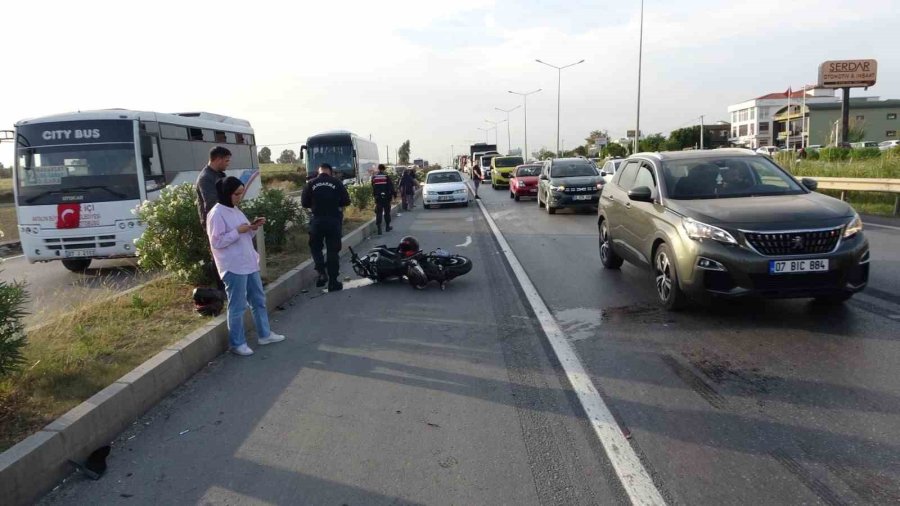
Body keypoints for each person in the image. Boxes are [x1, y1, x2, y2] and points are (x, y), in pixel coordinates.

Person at [207, 176, 285, 356]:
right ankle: (237, 343)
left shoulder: (235, 210)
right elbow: (216, 242)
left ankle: (265, 335)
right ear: (227, 193)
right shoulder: (216, 213)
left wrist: (253, 227)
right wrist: (237, 231)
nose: (239, 197)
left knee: (258, 300)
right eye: (236, 194)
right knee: (237, 305)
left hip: (248, 263)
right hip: (233, 266)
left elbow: (245, 236)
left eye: (241, 193)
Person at [301, 163, 351, 291]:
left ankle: (321, 272)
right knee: (332, 251)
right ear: (330, 171)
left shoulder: (311, 183)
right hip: (333, 221)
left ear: (319, 172)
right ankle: (333, 282)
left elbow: (304, 203)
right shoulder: (337, 182)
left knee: (315, 248)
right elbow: (346, 201)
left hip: (317, 221)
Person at [196, 146, 232, 290]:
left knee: (230, 253)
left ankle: (233, 284)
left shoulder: (220, 175)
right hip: (214, 222)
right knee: (218, 256)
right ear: (218, 159)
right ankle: (222, 289)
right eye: (226, 160)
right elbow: (211, 203)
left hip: (227, 219)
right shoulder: (205, 178)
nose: (228, 164)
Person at [371, 164, 395, 235]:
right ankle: (387, 227)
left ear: (378, 169)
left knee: (379, 213)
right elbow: (391, 187)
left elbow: (373, 187)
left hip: (378, 198)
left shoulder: (374, 177)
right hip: (386, 198)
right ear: (384, 169)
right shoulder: (386, 177)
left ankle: (379, 229)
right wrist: (394, 194)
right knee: (387, 213)